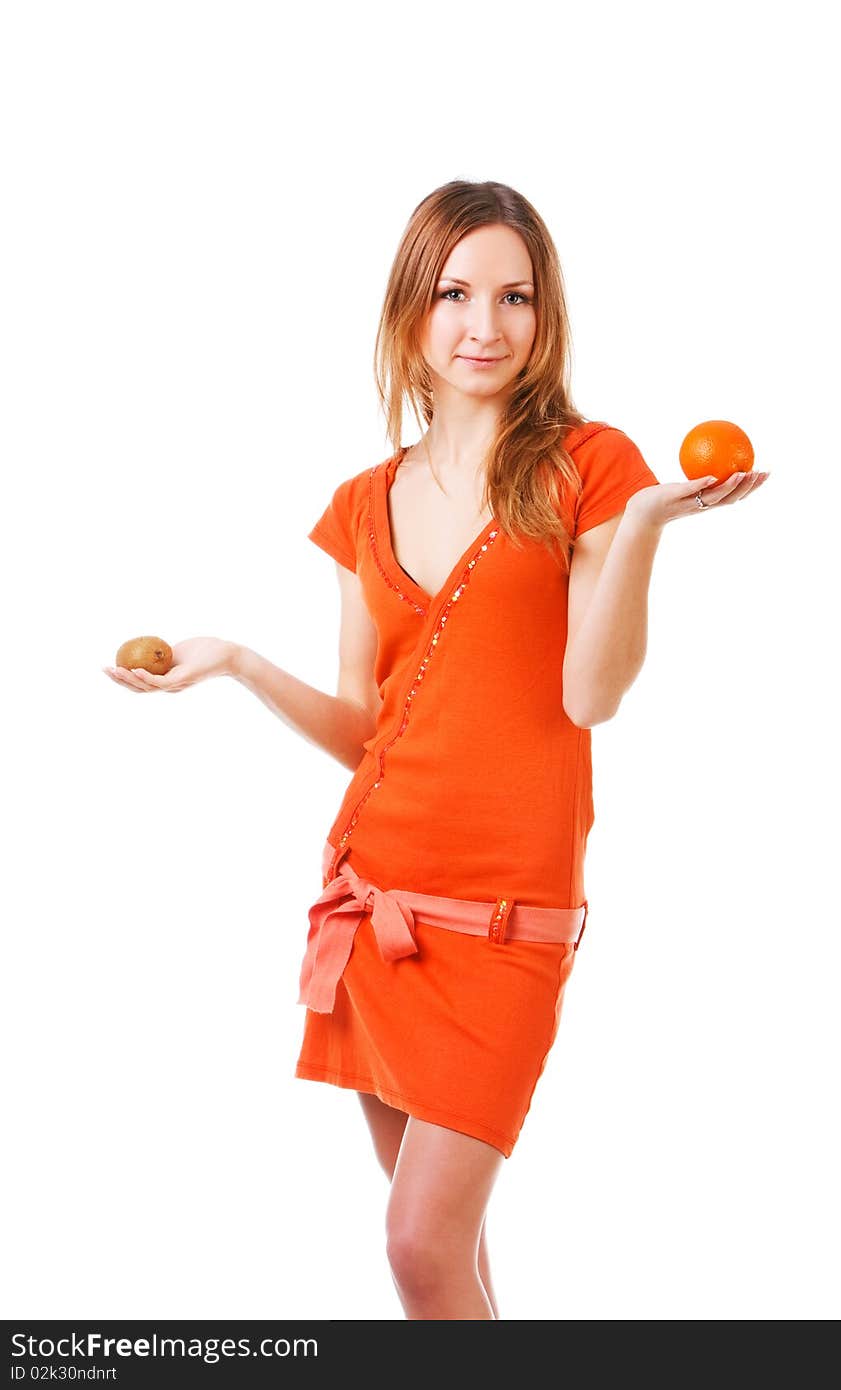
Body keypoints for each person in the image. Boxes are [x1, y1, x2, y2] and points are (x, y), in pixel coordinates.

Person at [103, 179, 768, 1319]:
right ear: (411, 309)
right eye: (456, 292)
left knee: (416, 1245)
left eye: (515, 296)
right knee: (448, 1255)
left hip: (507, 917)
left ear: (543, 315)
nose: (486, 324)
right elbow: (368, 726)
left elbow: (591, 693)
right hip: (376, 903)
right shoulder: (364, 502)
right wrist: (239, 664)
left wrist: (647, 527)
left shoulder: (589, 465)